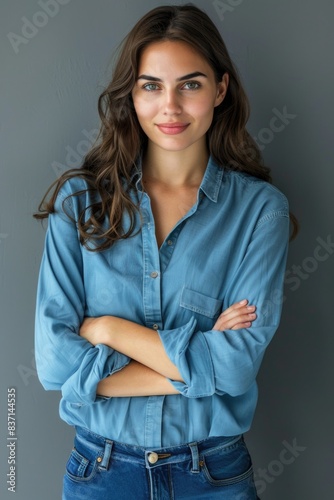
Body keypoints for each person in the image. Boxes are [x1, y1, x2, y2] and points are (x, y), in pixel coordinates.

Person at [34, 4, 296, 499]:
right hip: (101, 473)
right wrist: (198, 365)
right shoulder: (80, 204)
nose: (170, 107)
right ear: (131, 95)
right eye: (151, 85)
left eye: (190, 85)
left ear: (220, 89)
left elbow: (236, 367)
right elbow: (54, 364)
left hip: (213, 474)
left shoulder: (262, 211)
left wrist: (110, 331)